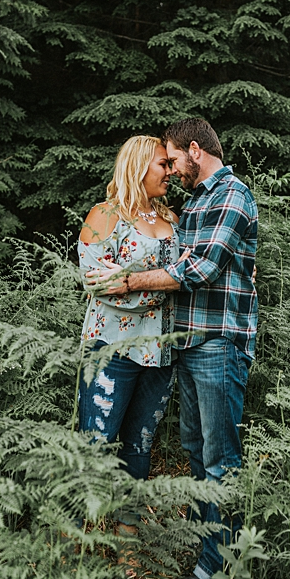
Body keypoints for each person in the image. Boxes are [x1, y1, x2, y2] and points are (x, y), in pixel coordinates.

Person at [88, 118, 258, 579]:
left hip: (219, 343)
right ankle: (210, 552)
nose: (172, 169)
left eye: (174, 159)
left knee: (219, 457)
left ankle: (218, 571)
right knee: (197, 452)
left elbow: (201, 268)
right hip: (189, 343)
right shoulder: (198, 200)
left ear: (194, 151)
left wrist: (131, 281)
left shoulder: (231, 195)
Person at [77, 136, 180, 482]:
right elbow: (98, 284)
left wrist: (136, 281)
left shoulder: (172, 220)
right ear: (138, 167)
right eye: (163, 164)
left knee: (140, 444)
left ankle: (127, 527)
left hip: (160, 354)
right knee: (95, 443)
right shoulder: (105, 216)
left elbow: (193, 272)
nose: (171, 171)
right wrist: (165, 287)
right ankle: (75, 528)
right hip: (112, 350)